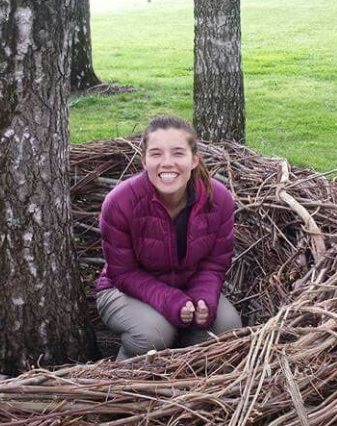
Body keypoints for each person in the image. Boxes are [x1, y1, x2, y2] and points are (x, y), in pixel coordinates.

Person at [96, 115, 241, 360]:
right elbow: (122, 273)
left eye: (177, 153)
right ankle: (122, 377)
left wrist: (203, 298)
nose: (167, 163)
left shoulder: (219, 200)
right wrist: (172, 301)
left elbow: (215, 264)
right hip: (122, 290)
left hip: (188, 289)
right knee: (154, 334)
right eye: (156, 154)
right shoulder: (120, 203)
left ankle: (182, 365)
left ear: (194, 159)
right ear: (144, 161)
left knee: (227, 326)